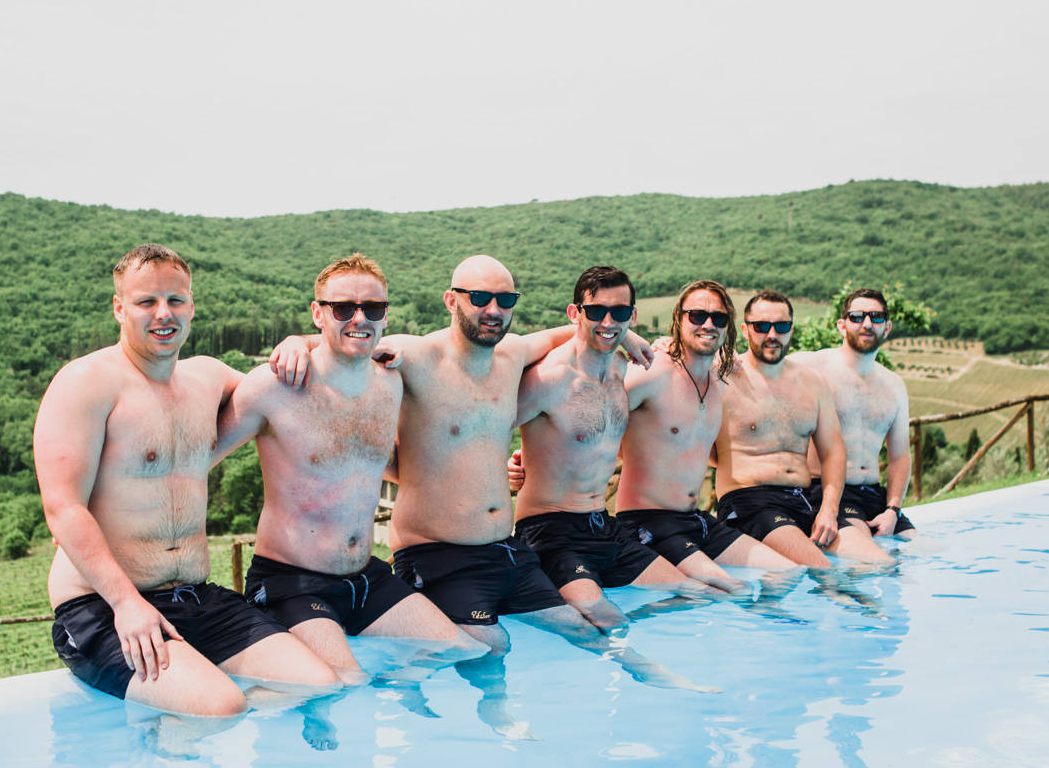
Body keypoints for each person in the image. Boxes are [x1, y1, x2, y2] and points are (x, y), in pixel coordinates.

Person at [271, 255, 710, 696]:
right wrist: (297, 341)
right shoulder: (416, 355)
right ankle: (491, 713)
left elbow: (570, 331)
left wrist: (625, 333)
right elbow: (352, 332)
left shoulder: (512, 354)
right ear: (451, 301)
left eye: (505, 299)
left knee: (590, 628)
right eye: (479, 298)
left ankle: (647, 675)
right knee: (491, 649)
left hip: (505, 549)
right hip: (437, 552)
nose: (493, 310)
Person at [36, 244, 339, 719]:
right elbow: (63, 508)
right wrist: (127, 605)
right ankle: (167, 736)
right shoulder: (86, 382)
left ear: (192, 306)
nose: (164, 313)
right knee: (221, 707)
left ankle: (184, 712)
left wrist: (299, 341)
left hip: (198, 598)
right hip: (106, 607)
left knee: (322, 685)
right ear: (119, 308)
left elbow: (278, 393)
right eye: (146, 301)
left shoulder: (208, 377)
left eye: (175, 300)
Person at [215, 254, 483, 688]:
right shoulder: (275, 386)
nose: (360, 318)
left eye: (372, 308)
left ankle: (399, 693)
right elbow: (193, 464)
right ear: (318, 313)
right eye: (343, 308)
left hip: (364, 574)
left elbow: (380, 462)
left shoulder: (389, 381)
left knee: (465, 650)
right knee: (345, 684)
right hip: (292, 580)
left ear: (385, 315)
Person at [510, 267, 711, 632]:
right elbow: (486, 432)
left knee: (697, 594)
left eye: (618, 312)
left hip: (604, 525)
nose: (607, 321)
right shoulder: (550, 378)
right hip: (551, 531)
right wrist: (504, 470)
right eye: (596, 311)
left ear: (632, 316)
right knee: (608, 624)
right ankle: (643, 664)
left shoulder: (623, 369)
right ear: (575, 313)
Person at [614, 280, 798, 580]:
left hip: (695, 520)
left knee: (790, 572)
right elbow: (593, 425)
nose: (708, 324)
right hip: (648, 521)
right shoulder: (650, 373)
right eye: (697, 315)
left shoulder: (719, 377)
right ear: (679, 319)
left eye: (719, 318)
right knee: (731, 590)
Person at [713, 290, 892, 567]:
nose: (772, 334)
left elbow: (833, 452)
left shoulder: (812, 382)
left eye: (781, 326)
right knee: (823, 569)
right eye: (762, 326)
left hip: (804, 502)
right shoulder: (721, 377)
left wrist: (829, 510)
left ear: (792, 329)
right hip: (749, 501)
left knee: (881, 564)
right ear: (746, 330)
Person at [787, 288, 916, 539]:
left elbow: (900, 457)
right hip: (829, 492)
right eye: (857, 316)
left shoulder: (894, 385)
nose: (867, 323)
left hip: (875, 495)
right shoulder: (812, 366)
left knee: (924, 551)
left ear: (887, 327)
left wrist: (893, 510)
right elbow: (760, 361)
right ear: (842, 325)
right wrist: (728, 360)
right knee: (869, 556)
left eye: (876, 317)